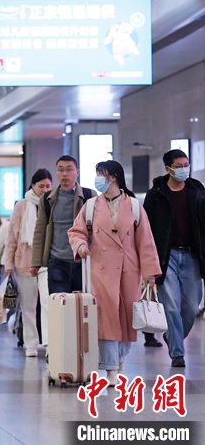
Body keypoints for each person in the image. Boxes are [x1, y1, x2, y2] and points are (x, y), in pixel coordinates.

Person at [69, 161, 160, 385]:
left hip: (129, 270)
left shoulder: (135, 206)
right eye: (97, 174)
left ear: (114, 177)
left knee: (127, 318)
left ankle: (119, 362)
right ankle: (111, 369)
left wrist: (149, 273)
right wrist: (81, 246)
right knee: (106, 318)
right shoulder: (91, 206)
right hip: (100, 270)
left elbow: (146, 241)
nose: (99, 179)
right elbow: (76, 232)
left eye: (102, 174)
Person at [144, 149, 205, 368]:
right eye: (179, 166)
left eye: (186, 165)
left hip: (192, 256)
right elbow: (146, 230)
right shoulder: (156, 194)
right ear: (168, 169)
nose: (184, 169)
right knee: (170, 306)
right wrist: (148, 263)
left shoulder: (198, 192)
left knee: (190, 308)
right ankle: (177, 353)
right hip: (166, 256)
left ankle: (173, 336)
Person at [4, 169, 53, 357]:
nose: (45, 190)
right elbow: (12, 236)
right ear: (32, 185)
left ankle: (49, 343)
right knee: (28, 306)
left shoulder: (52, 202)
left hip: (46, 261)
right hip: (24, 260)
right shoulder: (22, 206)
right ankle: (31, 344)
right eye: (41, 186)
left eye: (48, 186)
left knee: (48, 303)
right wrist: (8, 263)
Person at [31, 156, 97, 293]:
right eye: (60, 170)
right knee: (59, 303)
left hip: (83, 261)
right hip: (57, 262)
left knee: (82, 304)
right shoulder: (47, 199)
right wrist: (35, 262)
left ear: (77, 172)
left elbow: (97, 229)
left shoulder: (89, 196)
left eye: (69, 169)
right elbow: (40, 231)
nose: (65, 174)